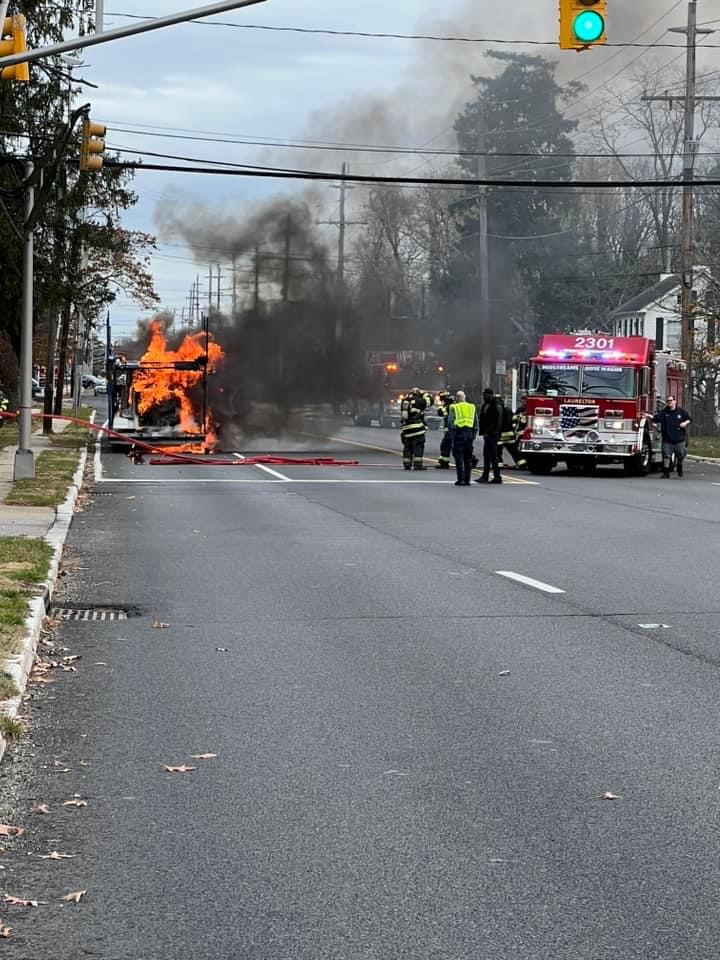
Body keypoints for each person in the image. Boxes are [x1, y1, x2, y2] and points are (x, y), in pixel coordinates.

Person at [653, 395, 691, 478]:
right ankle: (666, 472)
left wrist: (685, 423)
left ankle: (679, 465)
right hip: (667, 439)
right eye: (668, 401)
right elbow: (655, 419)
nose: (669, 402)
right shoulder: (664, 412)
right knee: (666, 455)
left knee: (681, 454)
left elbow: (689, 419)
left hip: (679, 439)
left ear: (675, 401)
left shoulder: (681, 412)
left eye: (671, 400)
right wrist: (649, 416)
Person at [447, 390, 478, 485]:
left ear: (457, 398)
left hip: (459, 434)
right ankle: (467, 479)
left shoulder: (454, 407)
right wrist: (473, 436)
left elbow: (451, 423)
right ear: (465, 398)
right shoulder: (472, 407)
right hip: (469, 434)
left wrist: (452, 437)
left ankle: (461, 479)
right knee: (467, 458)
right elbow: (476, 423)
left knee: (459, 458)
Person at [476, 387, 503, 484]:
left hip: (493, 435)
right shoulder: (485, 405)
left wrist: (494, 432)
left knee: (493, 456)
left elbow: (498, 421)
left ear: (490, 395)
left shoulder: (496, 405)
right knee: (486, 455)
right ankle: (485, 476)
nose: (484, 396)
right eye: (484, 395)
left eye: (486, 395)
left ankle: (497, 477)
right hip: (487, 434)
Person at [400, 387, 431, 470]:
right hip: (417, 428)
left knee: (407, 446)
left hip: (406, 428)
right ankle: (418, 465)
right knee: (418, 445)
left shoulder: (404, 401)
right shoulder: (419, 400)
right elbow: (430, 401)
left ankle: (407, 464)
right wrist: (424, 393)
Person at [500, 395, 529, 470]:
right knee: (514, 450)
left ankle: (498, 464)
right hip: (515, 434)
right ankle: (522, 464)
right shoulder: (518, 409)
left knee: (498, 451)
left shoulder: (528, 409)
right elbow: (515, 421)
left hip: (503, 435)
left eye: (524, 399)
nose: (523, 401)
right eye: (522, 399)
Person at [435, 390, 453, 469]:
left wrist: (440, 406)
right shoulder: (448, 405)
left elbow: (441, 413)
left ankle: (470, 460)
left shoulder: (449, 406)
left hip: (451, 430)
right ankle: (444, 463)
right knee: (445, 446)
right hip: (449, 430)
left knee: (447, 446)